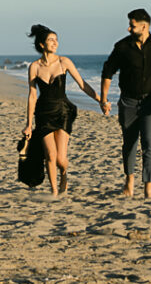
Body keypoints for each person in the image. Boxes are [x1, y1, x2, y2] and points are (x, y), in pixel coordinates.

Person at [100, 8, 151, 199]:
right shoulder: (122, 47)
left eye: (132, 25)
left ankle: (148, 189)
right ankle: (129, 182)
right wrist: (103, 99)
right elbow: (108, 72)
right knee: (129, 143)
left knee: (149, 144)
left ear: (144, 26)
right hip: (127, 101)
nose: (129, 29)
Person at [24, 24, 109, 197]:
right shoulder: (34, 67)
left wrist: (100, 100)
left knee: (61, 159)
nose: (55, 43)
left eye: (56, 40)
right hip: (43, 114)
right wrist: (28, 124)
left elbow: (83, 85)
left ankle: (64, 174)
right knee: (50, 155)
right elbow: (32, 96)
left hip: (63, 112)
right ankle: (54, 192)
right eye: (51, 40)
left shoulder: (64, 62)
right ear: (42, 44)